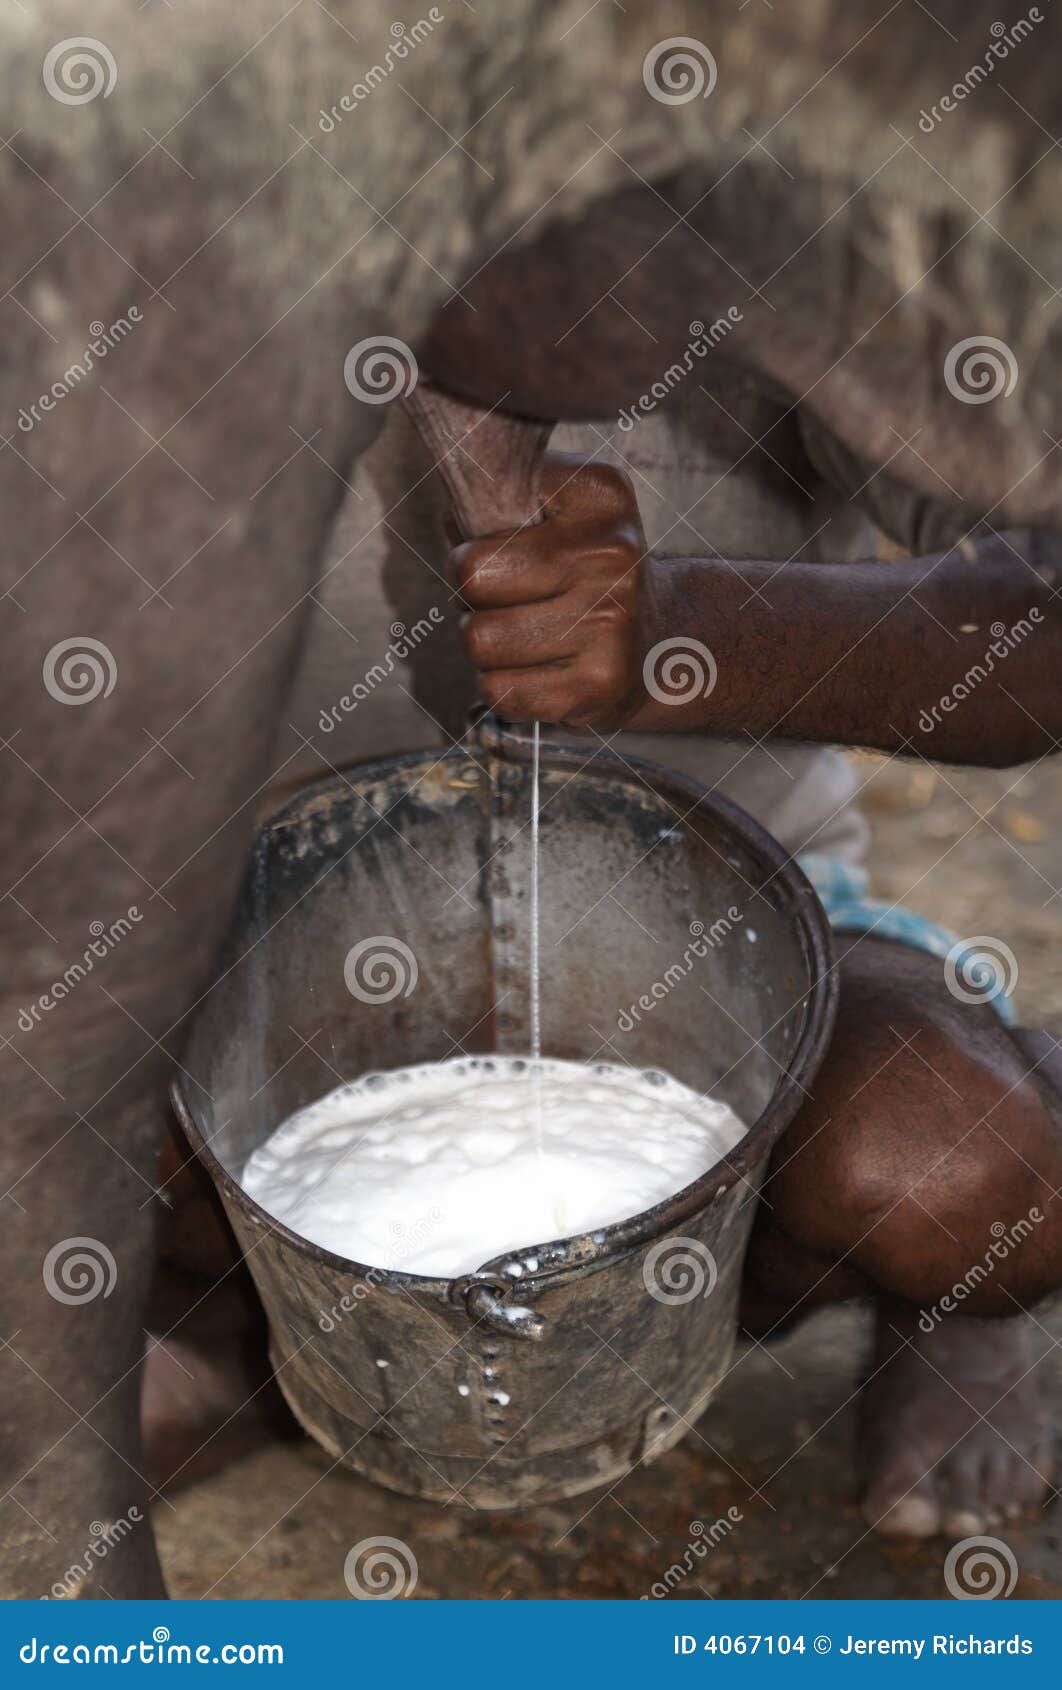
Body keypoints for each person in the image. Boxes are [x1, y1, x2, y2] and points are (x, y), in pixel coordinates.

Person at [148, 370, 1060, 1542]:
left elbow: (1038, 604)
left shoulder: (776, 280)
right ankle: (226, 1329)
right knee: (63, 1116)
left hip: (743, 947)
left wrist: (686, 634)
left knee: (958, 1167)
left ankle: (946, 1305)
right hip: (258, 953)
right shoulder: (129, 285)